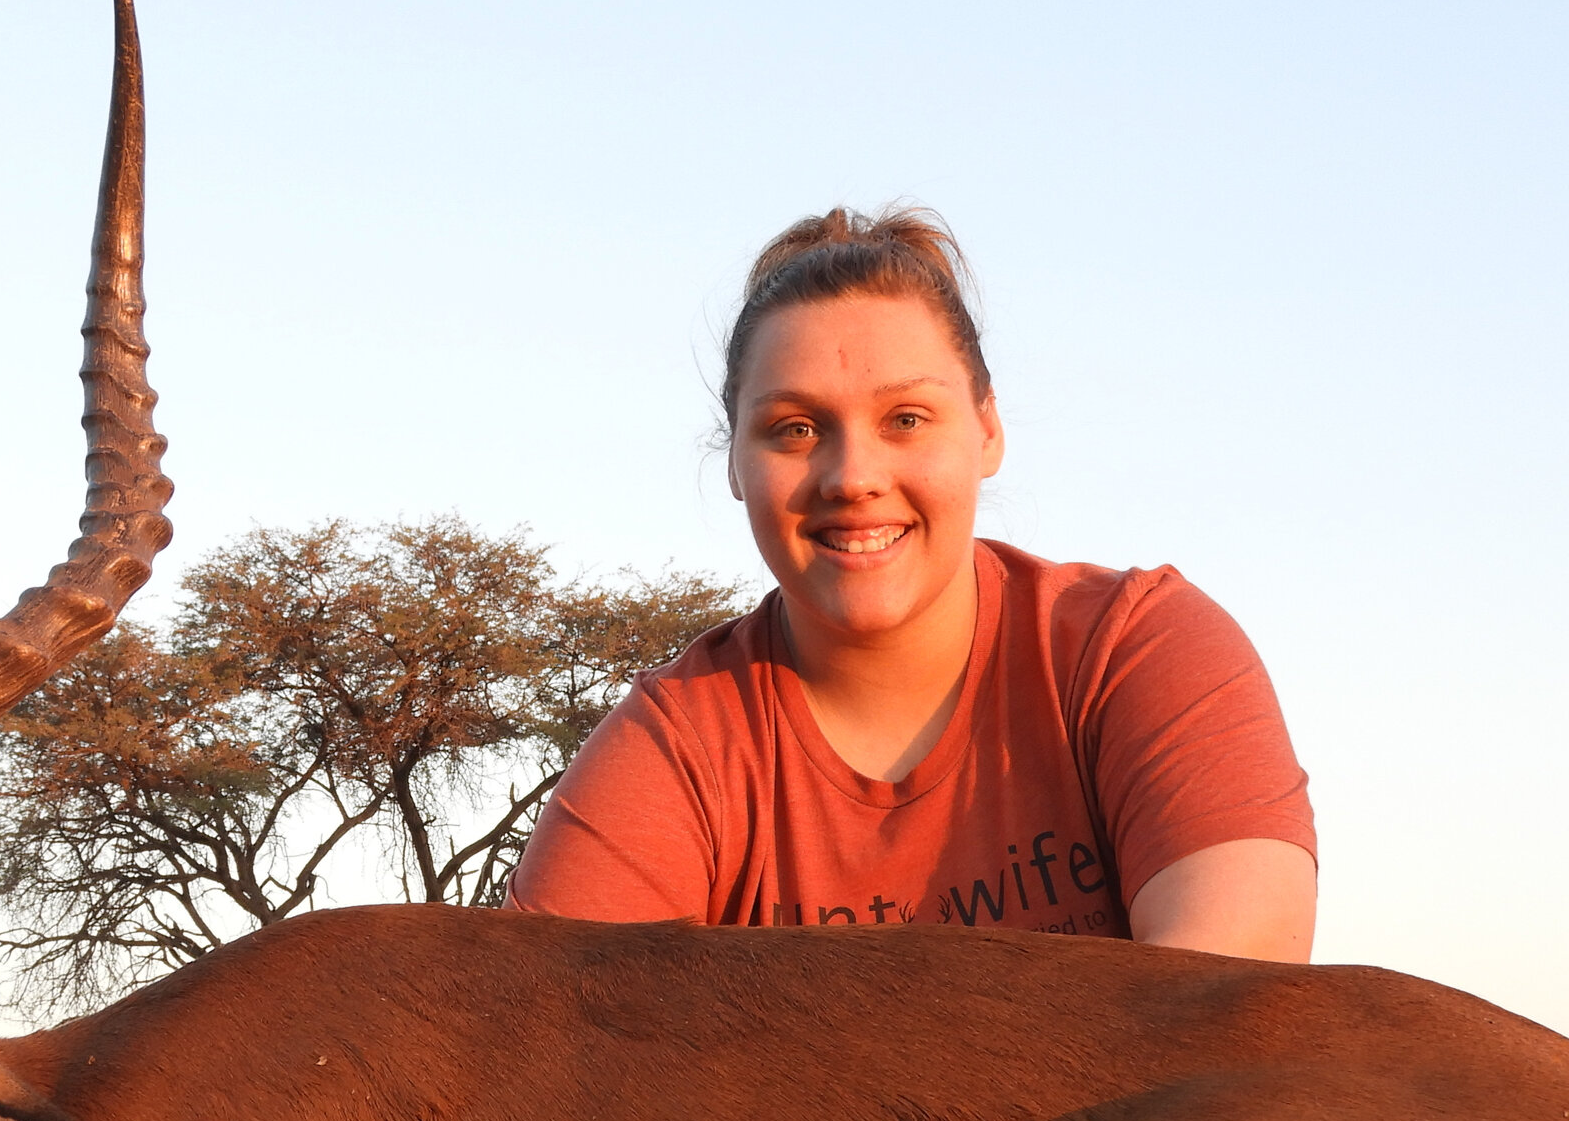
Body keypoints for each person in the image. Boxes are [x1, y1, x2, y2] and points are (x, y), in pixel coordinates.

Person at [507, 207, 1315, 957]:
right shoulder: (673, 751)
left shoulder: (1135, 649)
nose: (853, 478)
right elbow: (537, 1057)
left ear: (988, 430)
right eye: (795, 429)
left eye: (906, 419)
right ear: (733, 464)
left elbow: (1230, 1021)